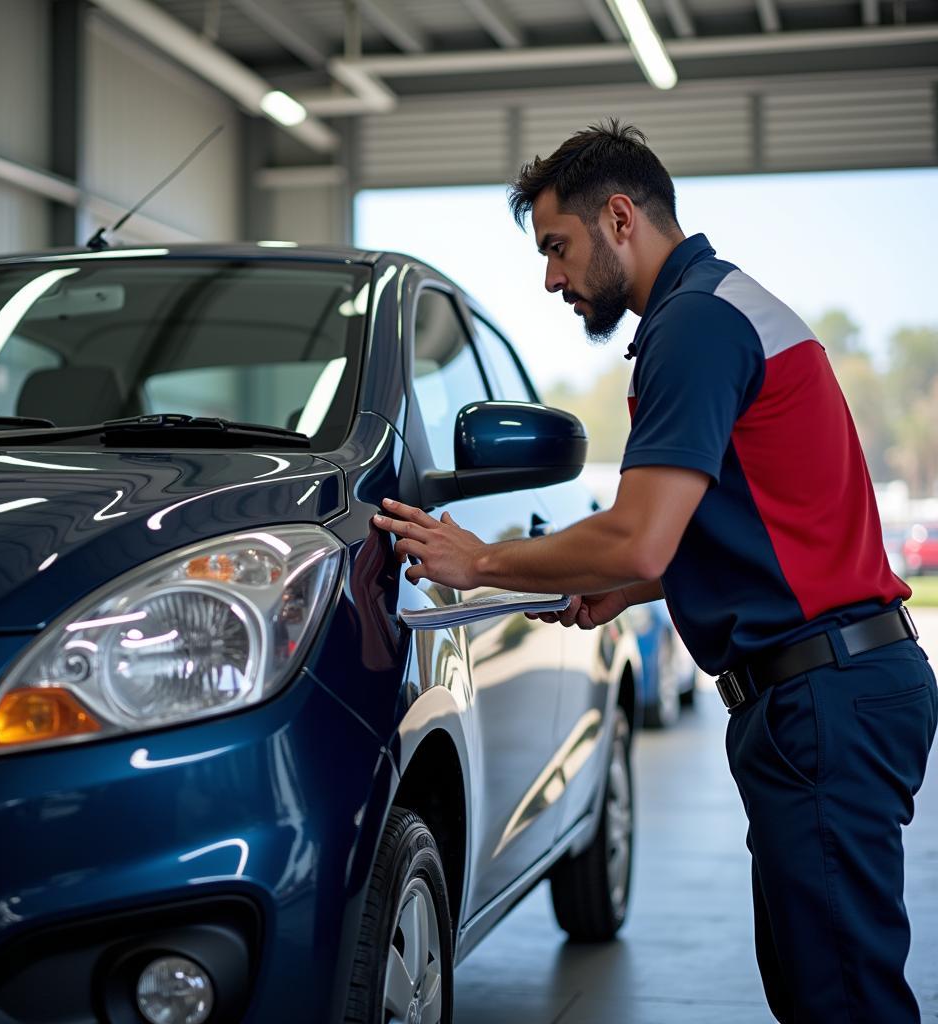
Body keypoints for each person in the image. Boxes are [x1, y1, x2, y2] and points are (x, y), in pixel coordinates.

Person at [372, 119, 937, 1023]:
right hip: (831, 686)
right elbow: (745, 529)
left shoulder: (697, 327)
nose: (550, 277)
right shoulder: (720, 308)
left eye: (557, 247)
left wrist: (479, 560)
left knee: (843, 1000)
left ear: (621, 217)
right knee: (817, 986)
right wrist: (633, 586)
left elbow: (638, 533)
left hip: (824, 695)